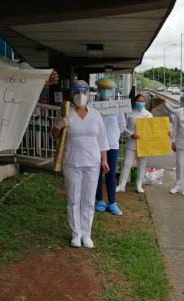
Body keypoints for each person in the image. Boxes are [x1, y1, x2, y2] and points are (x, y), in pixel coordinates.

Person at [51, 80, 110, 248]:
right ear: (72, 94)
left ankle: (86, 234)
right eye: (77, 92)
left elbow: (102, 139)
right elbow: (54, 135)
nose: (81, 96)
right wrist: (59, 125)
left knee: (89, 200)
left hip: (93, 162)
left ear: (88, 94)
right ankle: (76, 234)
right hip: (72, 162)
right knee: (74, 199)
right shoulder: (65, 112)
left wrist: (104, 160)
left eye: (84, 92)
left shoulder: (96, 114)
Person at [94, 77, 126, 215]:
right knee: (97, 173)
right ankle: (99, 200)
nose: (105, 91)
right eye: (102, 88)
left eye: (108, 89)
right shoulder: (92, 106)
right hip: (95, 145)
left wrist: (112, 135)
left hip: (112, 144)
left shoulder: (117, 106)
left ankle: (113, 202)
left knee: (111, 174)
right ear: (98, 90)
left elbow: (122, 125)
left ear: (112, 91)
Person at [116, 94, 153, 193]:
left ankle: (139, 185)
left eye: (142, 101)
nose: (140, 103)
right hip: (131, 143)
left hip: (144, 144)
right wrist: (131, 134)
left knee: (142, 165)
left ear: (145, 102)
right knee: (127, 164)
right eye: (138, 101)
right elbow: (123, 127)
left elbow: (153, 130)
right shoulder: (129, 113)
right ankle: (121, 185)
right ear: (135, 101)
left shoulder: (149, 115)